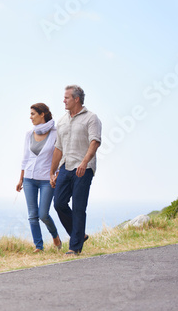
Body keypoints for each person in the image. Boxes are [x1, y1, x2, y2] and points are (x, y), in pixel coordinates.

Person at [50, 85, 102, 255]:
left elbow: (95, 141)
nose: (63, 100)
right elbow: (58, 148)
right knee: (58, 203)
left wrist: (84, 163)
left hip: (83, 168)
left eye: (66, 97)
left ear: (76, 99)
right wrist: (52, 172)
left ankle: (75, 247)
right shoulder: (62, 121)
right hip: (66, 166)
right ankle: (79, 234)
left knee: (79, 207)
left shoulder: (91, 118)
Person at [16, 103, 62, 252]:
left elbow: (60, 155)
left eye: (33, 114)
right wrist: (21, 178)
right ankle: (39, 246)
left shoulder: (55, 133)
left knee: (43, 214)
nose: (30, 117)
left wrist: (56, 174)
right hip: (29, 178)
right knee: (32, 215)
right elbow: (25, 157)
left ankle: (55, 236)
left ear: (42, 114)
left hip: (46, 180)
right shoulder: (29, 134)